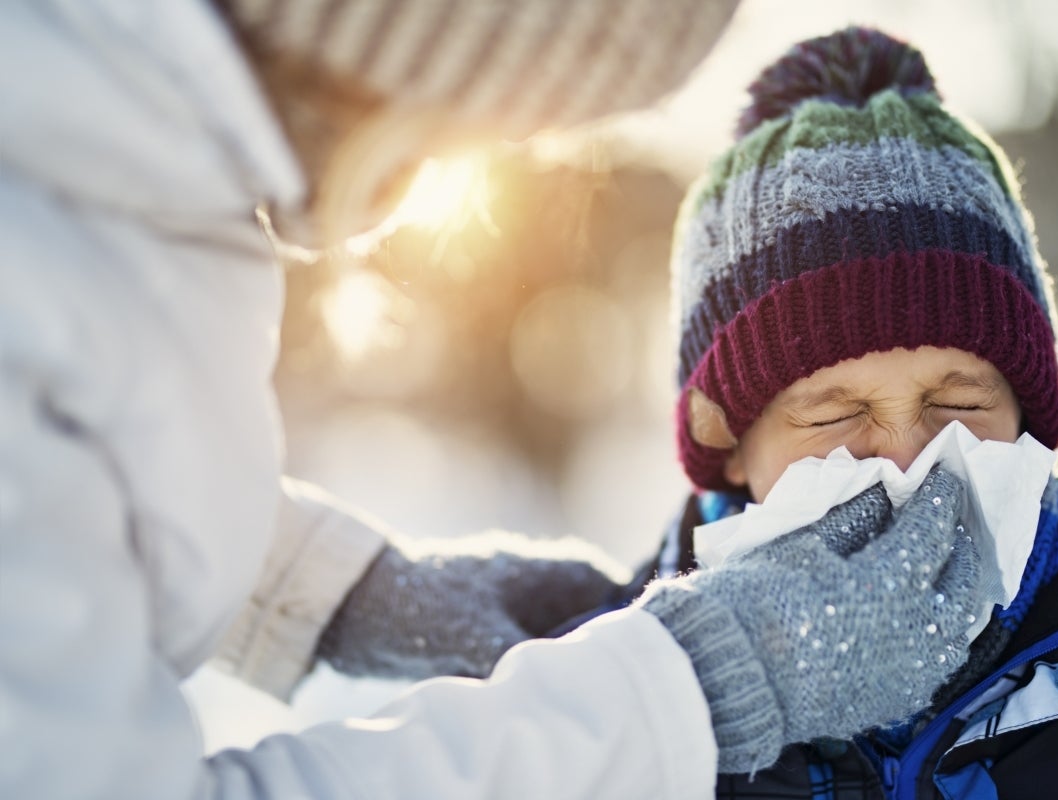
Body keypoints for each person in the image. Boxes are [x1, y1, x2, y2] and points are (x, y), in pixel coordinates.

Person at [0, 4, 997, 798]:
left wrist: (331, 589)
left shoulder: (107, 178)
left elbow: (66, 477)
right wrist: (687, 689)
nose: (904, 455)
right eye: (496, 117)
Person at [607, 26, 1058, 798]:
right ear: (730, 447)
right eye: (833, 415)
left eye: (957, 402)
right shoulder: (625, 718)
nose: (905, 460)